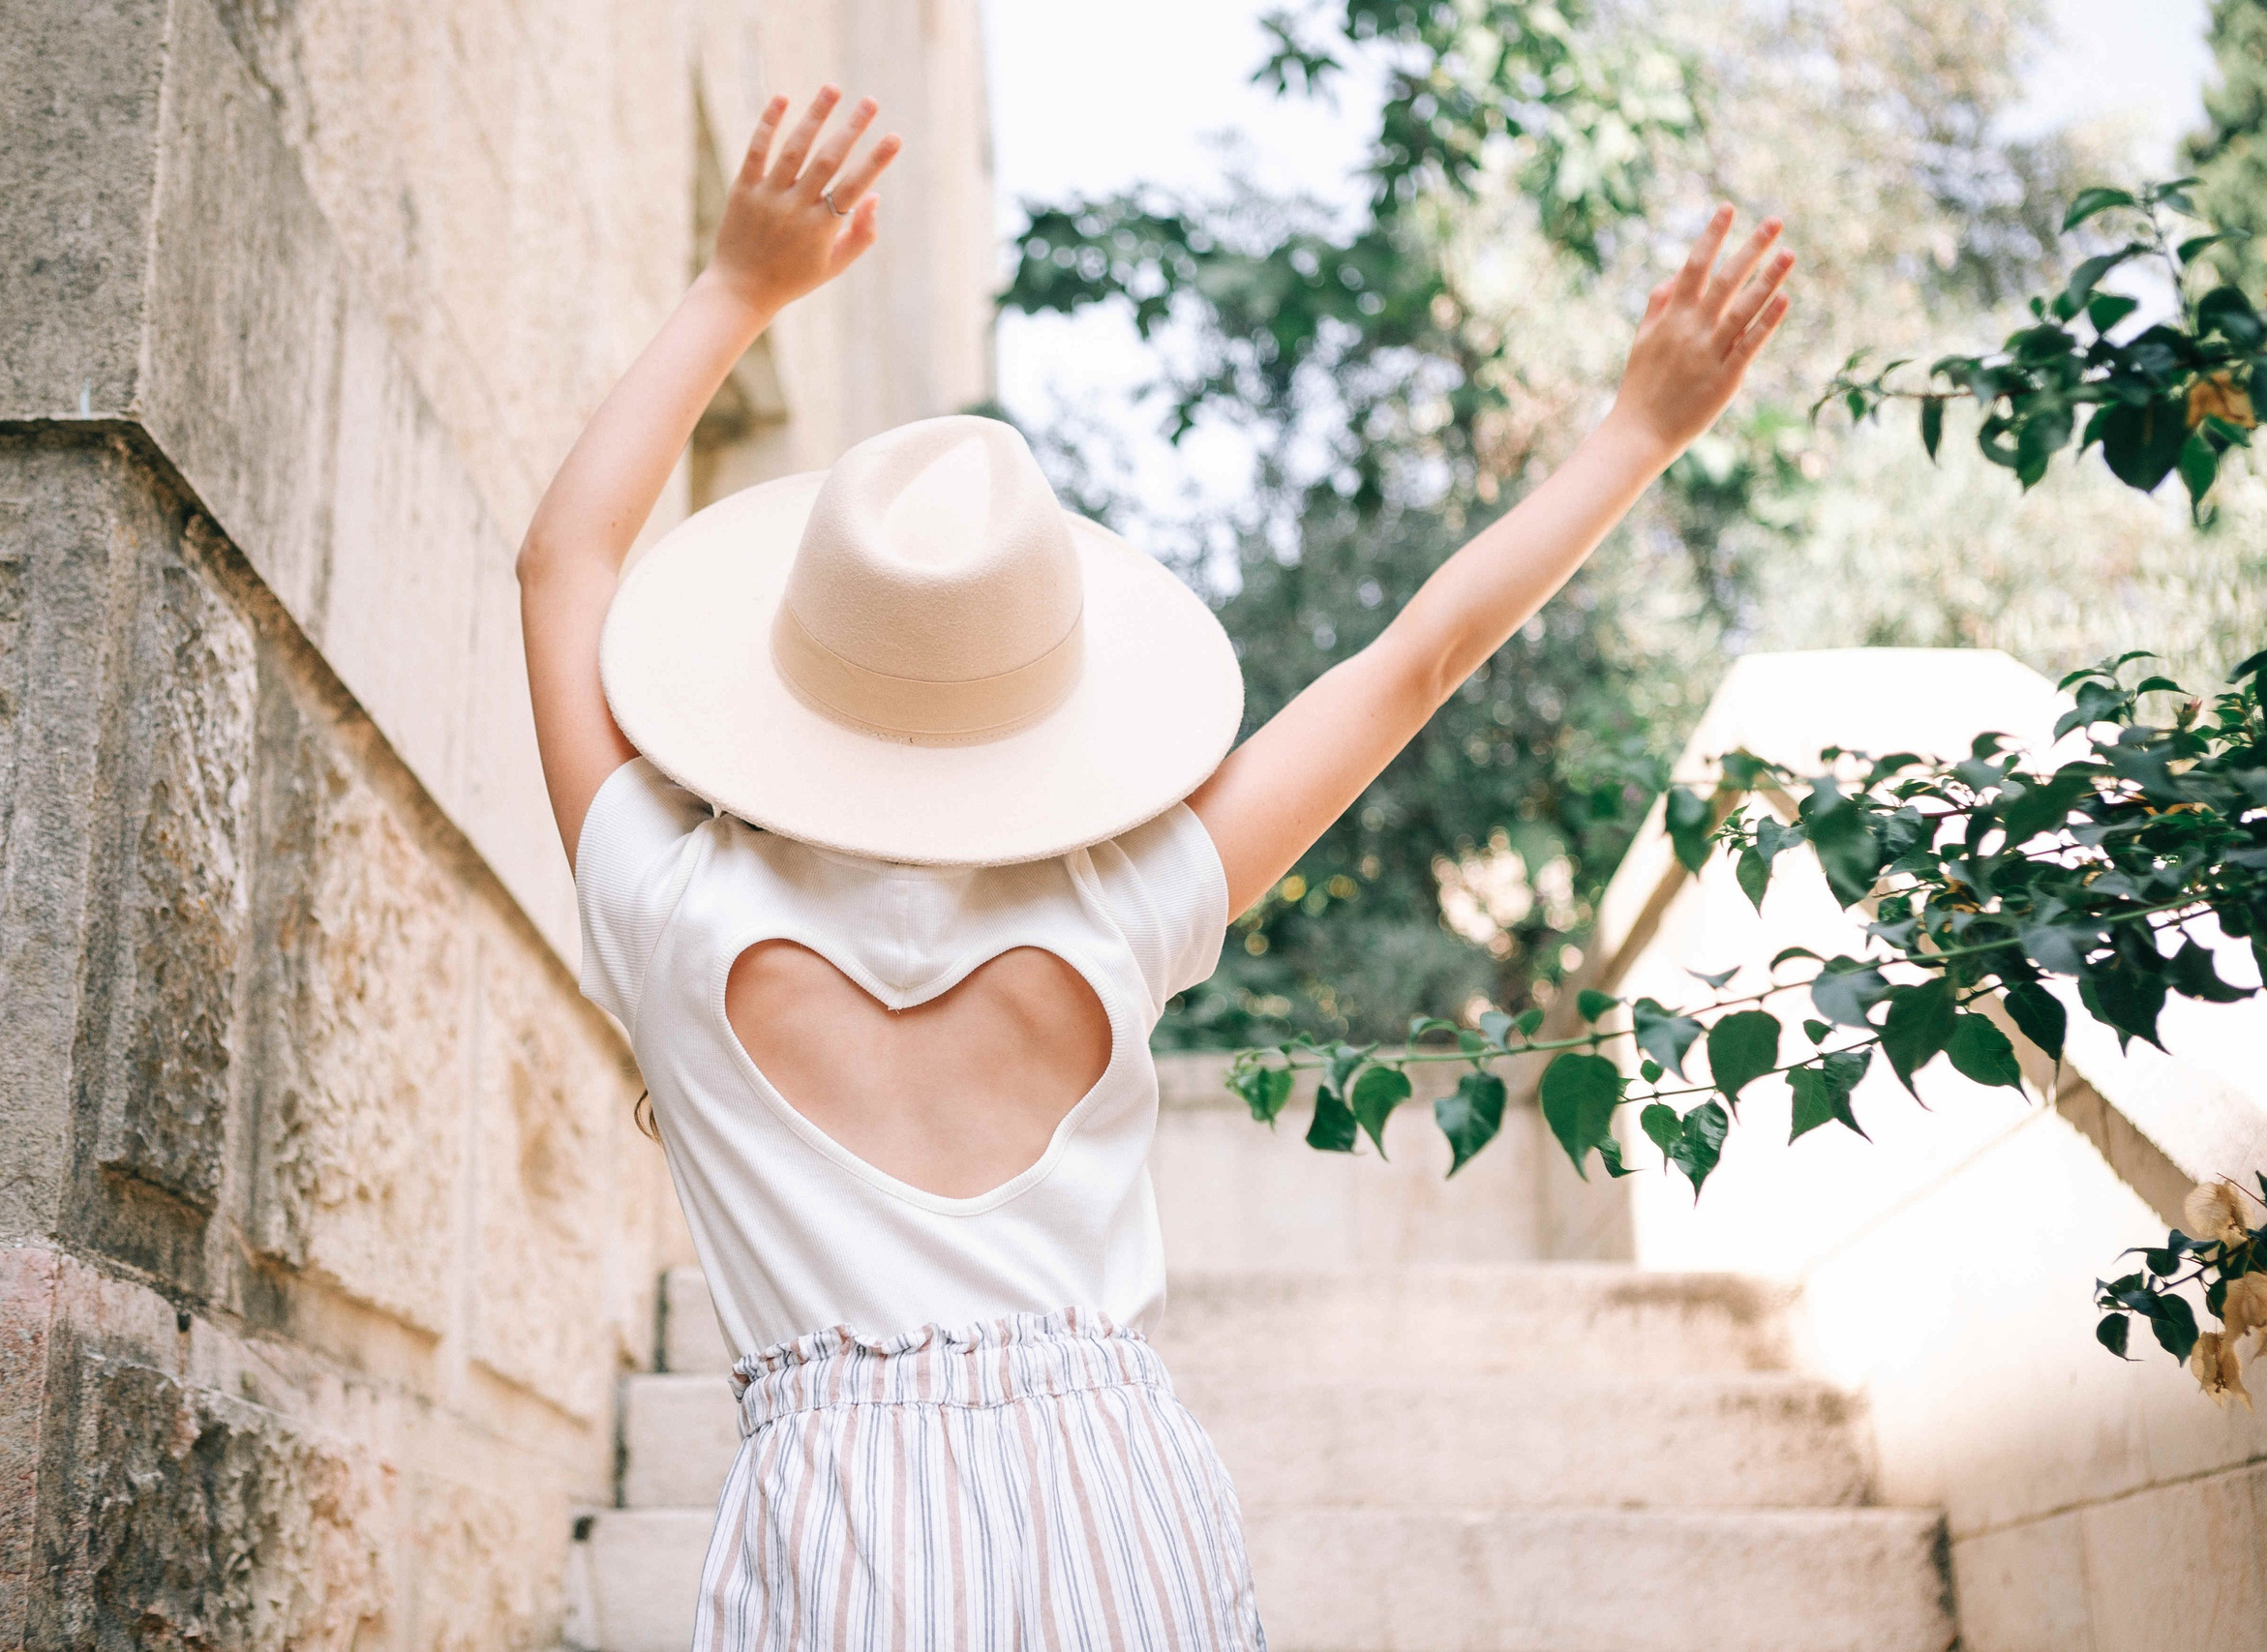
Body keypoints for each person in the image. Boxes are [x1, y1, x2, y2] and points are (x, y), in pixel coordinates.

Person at [518, 84, 1793, 1652]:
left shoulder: (667, 900)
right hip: (1115, 1493)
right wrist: (1640, 432)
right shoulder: (1120, 901)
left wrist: (738, 286)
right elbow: (1413, 663)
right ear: (1039, 698)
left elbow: (564, 558)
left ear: (786, 675)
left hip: (832, 1517)